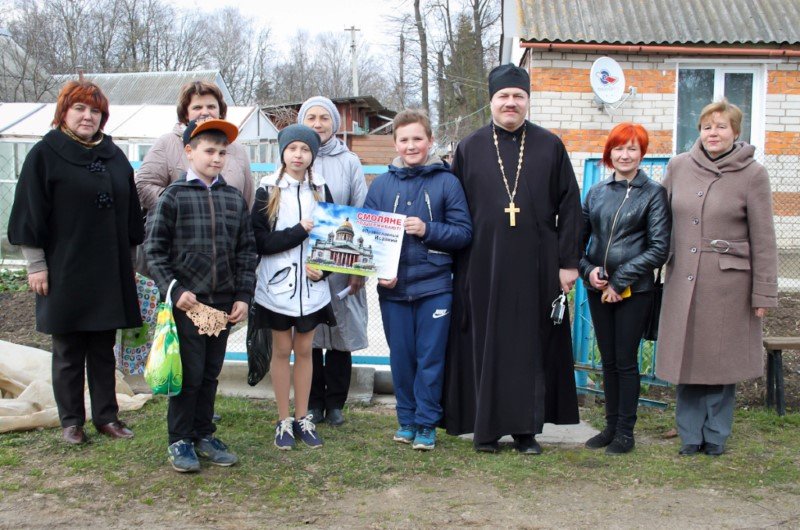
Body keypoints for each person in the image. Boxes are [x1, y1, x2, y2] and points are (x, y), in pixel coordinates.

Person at [442, 64, 582, 454]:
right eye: (503, 97)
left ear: (527, 101)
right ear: (491, 102)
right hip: (482, 264)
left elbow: (571, 207)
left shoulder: (549, 145)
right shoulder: (469, 148)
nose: (511, 103)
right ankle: (485, 429)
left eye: (518, 97)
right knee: (485, 343)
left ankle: (526, 431)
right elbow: (455, 209)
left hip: (536, 266)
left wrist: (568, 263)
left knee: (529, 345)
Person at [7, 81, 143, 445]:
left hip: (108, 268)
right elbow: (29, 212)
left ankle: (106, 417)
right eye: (80, 109)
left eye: (95, 111)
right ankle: (71, 421)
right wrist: (36, 264)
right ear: (64, 112)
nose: (88, 117)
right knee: (68, 349)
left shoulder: (114, 156)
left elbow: (130, 215)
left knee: (102, 347)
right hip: (64, 266)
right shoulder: (45, 154)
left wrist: (128, 264)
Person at [655, 100, 778, 457]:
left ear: (736, 133)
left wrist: (763, 294)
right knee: (686, 358)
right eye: (708, 126)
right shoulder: (678, 167)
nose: (714, 133)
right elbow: (660, 222)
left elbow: (765, 239)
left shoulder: (753, 174)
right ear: (699, 131)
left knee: (722, 362)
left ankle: (716, 435)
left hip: (729, 285)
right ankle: (689, 435)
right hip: (683, 281)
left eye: (722, 126)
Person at [146, 118, 257, 472]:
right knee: (189, 374)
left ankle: (204, 433)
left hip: (221, 304)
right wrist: (175, 289)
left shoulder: (233, 198)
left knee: (210, 372)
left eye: (222, 152)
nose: (217, 158)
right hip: (189, 304)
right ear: (189, 152)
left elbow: (246, 251)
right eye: (209, 151)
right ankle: (180, 439)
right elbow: (155, 250)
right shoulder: (173, 197)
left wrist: (243, 294)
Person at [364, 109, 472, 451]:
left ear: (430, 141)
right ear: (394, 143)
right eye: (404, 139)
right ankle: (406, 421)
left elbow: (463, 233)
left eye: (418, 139)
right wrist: (381, 273)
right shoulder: (380, 185)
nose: (411, 146)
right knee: (402, 358)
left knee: (430, 358)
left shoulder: (448, 182)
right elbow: (365, 238)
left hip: (435, 287)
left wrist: (428, 230)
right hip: (393, 290)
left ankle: (427, 423)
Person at [579, 123, 670, 454]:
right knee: (608, 361)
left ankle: (625, 432)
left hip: (635, 290)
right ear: (609, 153)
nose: (625, 154)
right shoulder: (597, 192)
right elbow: (578, 241)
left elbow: (659, 248)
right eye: (619, 148)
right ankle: (609, 426)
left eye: (632, 148)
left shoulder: (654, 194)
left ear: (641, 153)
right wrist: (588, 272)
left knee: (625, 359)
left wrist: (620, 281)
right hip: (597, 289)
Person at [252, 124, 335, 450]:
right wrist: (299, 231)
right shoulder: (267, 189)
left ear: (313, 154)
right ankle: (283, 419)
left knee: (305, 351)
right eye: (292, 149)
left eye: (305, 149)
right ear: (283, 152)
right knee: (282, 351)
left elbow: (334, 241)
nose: (298, 155)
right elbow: (260, 241)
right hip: (277, 289)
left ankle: (303, 417)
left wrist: (324, 271)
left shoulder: (321, 188)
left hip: (311, 293)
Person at [298, 96, 369, 427]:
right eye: (310, 117)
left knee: (341, 334)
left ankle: (336, 402)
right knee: (308, 334)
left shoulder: (349, 161)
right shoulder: (295, 157)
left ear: (334, 124)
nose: (317, 123)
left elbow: (361, 210)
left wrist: (358, 270)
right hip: (304, 263)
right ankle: (312, 401)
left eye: (323, 117)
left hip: (343, 260)